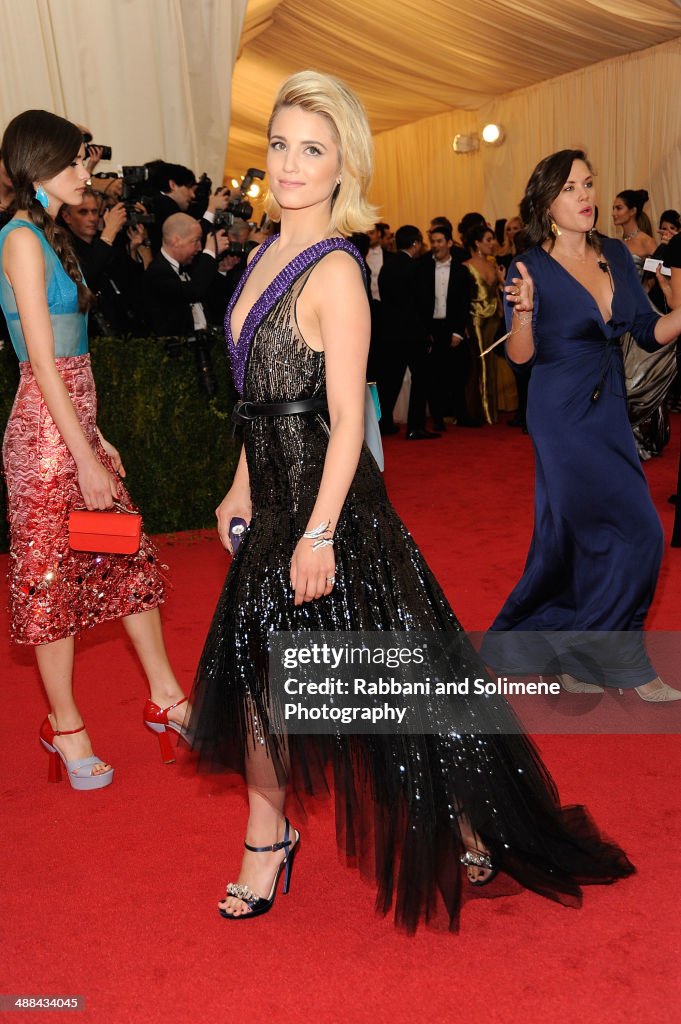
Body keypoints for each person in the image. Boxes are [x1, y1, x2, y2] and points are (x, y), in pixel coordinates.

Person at [186, 74, 634, 932]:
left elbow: (349, 418)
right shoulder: (256, 261)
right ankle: (266, 838)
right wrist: (241, 483)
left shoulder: (336, 269)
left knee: (391, 697)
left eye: (310, 149)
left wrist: (317, 534)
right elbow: (259, 399)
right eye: (279, 144)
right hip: (274, 505)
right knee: (256, 684)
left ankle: (473, 819)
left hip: (335, 514)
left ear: (342, 163)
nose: (288, 164)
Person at [0, 110, 190, 789]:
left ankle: (166, 697)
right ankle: (65, 723)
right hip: (47, 442)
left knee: (125, 562)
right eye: (78, 161)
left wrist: (97, 436)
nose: (88, 173)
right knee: (52, 584)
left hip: (75, 427)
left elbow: (74, 360)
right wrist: (82, 455)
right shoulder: (20, 239)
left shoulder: (54, 237)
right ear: (41, 166)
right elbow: (43, 366)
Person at [484, 149, 681, 699]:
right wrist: (522, 314)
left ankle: (579, 652)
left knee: (634, 530)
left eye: (589, 185)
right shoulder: (527, 267)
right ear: (547, 202)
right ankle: (624, 665)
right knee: (585, 530)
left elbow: (646, 330)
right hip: (559, 411)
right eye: (571, 188)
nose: (586, 197)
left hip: (609, 406)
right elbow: (520, 358)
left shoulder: (617, 254)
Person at [378, 225, 440, 439]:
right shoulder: (416, 268)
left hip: (390, 332)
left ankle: (383, 422)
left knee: (390, 380)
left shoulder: (387, 267)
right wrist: (427, 330)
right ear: (415, 243)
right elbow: (423, 303)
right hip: (413, 333)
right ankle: (415, 426)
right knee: (420, 378)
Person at [462, 223, 508, 423]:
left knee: (492, 365)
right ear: (477, 243)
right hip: (477, 320)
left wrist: (502, 280)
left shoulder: (493, 264)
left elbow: (500, 293)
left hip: (494, 318)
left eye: (493, 239)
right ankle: (481, 412)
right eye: (488, 240)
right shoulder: (467, 266)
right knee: (480, 364)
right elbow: (463, 299)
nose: (493, 243)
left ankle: (492, 412)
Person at [611, 189, 657, 259]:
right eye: (613, 208)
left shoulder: (647, 242)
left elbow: (658, 268)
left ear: (632, 211)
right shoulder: (618, 243)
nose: (613, 213)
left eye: (619, 208)